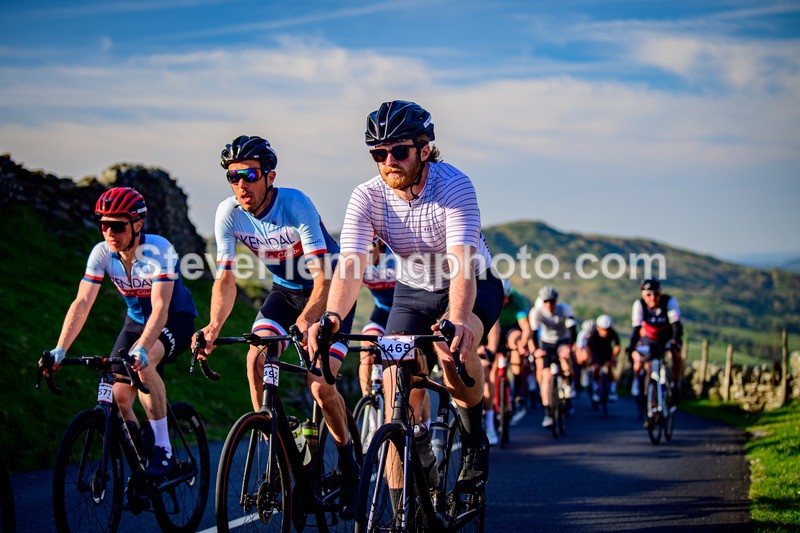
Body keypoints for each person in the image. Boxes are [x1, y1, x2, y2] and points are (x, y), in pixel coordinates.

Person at [308, 100, 504, 493]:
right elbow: (350, 266)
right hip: (413, 291)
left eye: (399, 151)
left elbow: (462, 263)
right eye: (379, 153)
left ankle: (473, 441)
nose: (388, 161)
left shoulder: (453, 186)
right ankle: (404, 489)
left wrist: (459, 319)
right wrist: (331, 318)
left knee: (453, 353)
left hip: (471, 282)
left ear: (425, 149)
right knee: (397, 386)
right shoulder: (365, 197)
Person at [194, 135, 360, 516]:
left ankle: (348, 463)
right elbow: (225, 279)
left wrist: (307, 321)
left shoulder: (294, 203)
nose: (241, 185)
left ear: (269, 176)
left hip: (330, 291)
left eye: (249, 175)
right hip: (284, 292)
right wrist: (214, 326)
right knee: (256, 357)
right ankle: (278, 447)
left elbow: (322, 280)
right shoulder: (228, 213)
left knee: (319, 385)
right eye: (232, 177)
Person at [45, 187, 198, 477]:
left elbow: (161, 307)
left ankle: (164, 449)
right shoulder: (102, 253)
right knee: (117, 398)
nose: (109, 232)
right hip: (135, 321)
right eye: (104, 225)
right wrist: (60, 349)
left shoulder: (158, 250)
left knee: (145, 362)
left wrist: (142, 347)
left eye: (117, 226)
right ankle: (141, 458)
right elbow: (82, 302)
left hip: (173, 319)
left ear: (137, 225)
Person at [485, 279, 532, 430]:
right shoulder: (491, 298)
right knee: (492, 368)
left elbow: (525, 327)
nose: (504, 301)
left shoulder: (517, 300)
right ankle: (494, 400)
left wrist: (524, 342)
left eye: (506, 298)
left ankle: (517, 388)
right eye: (501, 298)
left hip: (512, 329)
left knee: (516, 342)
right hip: (494, 329)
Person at [628, 278, 683, 403]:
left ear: (661, 293)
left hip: (668, 336)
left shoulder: (669, 301)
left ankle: (675, 383)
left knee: (676, 353)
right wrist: (632, 346)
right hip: (650, 339)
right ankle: (649, 400)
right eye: (648, 295)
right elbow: (636, 329)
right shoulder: (639, 304)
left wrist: (674, 341)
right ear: (643, 294)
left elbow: (676, 325)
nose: (652, 298)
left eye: (656, 294)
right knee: (647, 364)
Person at [529, 285, 576, 428]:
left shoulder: (564, 309)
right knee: (546, 376)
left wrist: (570, 347)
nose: (549, 304)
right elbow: (533, 335)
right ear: (542, 301)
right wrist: (536, 350)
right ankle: (548, 412)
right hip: (546, 343)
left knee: (565, 355)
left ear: (557, 300)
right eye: (546, 301)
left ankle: (568, 384)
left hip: (562, 340)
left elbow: (573, 330)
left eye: (552, 301)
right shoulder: (536, 312)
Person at [358, 236, 397, 395]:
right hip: (382, 311)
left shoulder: (395, 256)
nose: (364, 256)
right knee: (367, 348)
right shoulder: (357, 259)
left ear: (380, 244)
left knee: (407, 370)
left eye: (367, 249)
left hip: (404, 312)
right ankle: (369, 405)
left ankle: (426, 420)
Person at [583, 314, 621, 403]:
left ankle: (612, 390)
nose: (605, 332)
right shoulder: (593, 335)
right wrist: (590, 358)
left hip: (607, 353)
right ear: (598, 327)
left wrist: (614, 357)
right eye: (603, 329)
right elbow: (588, 347)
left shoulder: (612, 333)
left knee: (610, 367)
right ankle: (596, 388)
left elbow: (617, 346)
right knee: (596, 368)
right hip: (596, 354)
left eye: (607, 329)